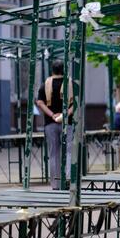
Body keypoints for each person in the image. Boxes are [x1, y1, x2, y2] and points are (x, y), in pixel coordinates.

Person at [36, 60, 73, 190]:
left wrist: (52, 115)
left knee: (53, 153)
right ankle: (68, 179)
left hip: (50, 123)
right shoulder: (70, 83)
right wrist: (64, 115)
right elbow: (76, 103)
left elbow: (40, 102)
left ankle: (55, 184)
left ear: (52, 70)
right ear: (64, 70)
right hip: (67, 122)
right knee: (68, 151)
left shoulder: (44, 84)